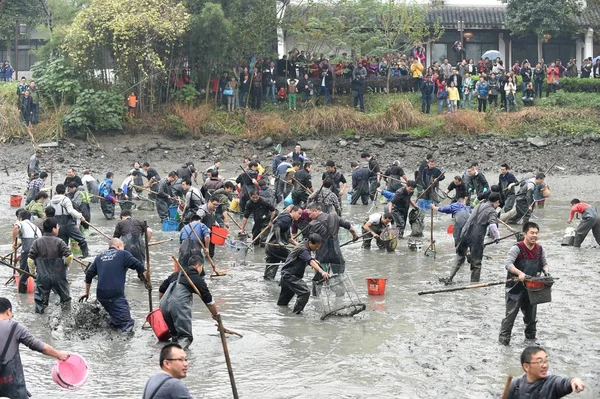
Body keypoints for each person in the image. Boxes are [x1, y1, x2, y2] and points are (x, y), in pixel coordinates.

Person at [0, 297, 70, 399]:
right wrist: (58, 354)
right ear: (8, 311)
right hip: (11, 381)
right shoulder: (15, 327)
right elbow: (38, 346)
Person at [80, 238, 147, 332]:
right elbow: (139, 266)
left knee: (114, 317)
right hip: (115, 295)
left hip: (101, 296)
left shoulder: (99, 257)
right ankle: (121, 344)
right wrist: (147, 282)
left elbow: (89, 274)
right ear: (119, 246)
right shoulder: (123, 254)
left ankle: (110, 328)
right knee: (127, 323)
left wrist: (86, 292)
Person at [499, 222, 548, 345]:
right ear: (525, 234)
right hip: (515, 288)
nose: (534, 235)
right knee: (510, 317)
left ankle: (530, 342)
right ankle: (503, 343)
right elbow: (508, 264)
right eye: (532, 233)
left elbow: (544, 264)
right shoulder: (516, 248)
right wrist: (519, 273)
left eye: (536, 233)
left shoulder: (539, 249)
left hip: (532, 288)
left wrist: (546, 270)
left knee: (531, 319)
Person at [158, 256, 218, 349]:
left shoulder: (176, 274)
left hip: (163, 305)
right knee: (185, 337)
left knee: (175, 334)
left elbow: (161, 289)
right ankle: (179, 356)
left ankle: (171, 353)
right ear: (198, 266)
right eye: (201, 267)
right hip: (178, 306)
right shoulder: (196, 278)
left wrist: (161, 306)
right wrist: (215, 314)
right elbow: (208, 299)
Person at [443, 192, 502, 284]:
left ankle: (449, 278)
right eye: (498, 204)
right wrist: (497, 237)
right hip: (476, 237)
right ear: (497, 202)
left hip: (464, 232)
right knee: (477, 263)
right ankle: (474, 285)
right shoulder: (492, 211)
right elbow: (493, 225)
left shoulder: (479, 205)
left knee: (459, 255)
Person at [27, 218, 73, 313]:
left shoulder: (37, 242)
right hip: (58, 275)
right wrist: (65, 266)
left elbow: (30, 259)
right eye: (57, 227)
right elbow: (70, 256)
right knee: (65, 299)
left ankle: (40, 322)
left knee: (40, 302)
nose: (58, 228)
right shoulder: (59, 242)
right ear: (53, 229)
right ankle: (66, 320)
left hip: (43, 276)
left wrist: (33, 272)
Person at [277, 234, 329, 314]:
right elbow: (309, 260)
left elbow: (307, 258)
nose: (317, 249)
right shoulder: (303, 249)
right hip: (290, 276)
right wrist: (322, 272)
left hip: (286, 275)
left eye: (319, 247)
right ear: (310, 242)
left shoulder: (304, 243)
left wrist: (313, 259)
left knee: (282, 303)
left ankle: (282, 316)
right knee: (305, 292)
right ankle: (296, 315)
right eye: (316, 246)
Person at [506, 346, 585, 398]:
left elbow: (563, 383)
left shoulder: (551, 383)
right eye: (540, 362)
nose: (545, 365)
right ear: (526, 367)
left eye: (546, 361)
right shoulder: (515, 385)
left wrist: (574, 381)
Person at [264, 206, 303, 280]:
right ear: (293, 211)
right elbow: (276, 227)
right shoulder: (287, 218)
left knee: (270, 271)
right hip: (275, 246)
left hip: (270, 246)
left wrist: (298, 245)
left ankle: (268, 286)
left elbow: (288, 239)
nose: (300, 216)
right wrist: (279, 241)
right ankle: (288, 280)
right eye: (299, 213)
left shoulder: (286, 218)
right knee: (293, 259)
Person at [12, 210, 42, 293]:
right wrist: (19, 245)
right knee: (35, 269)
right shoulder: (35, 227)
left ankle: (22, 289)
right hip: (39, 250)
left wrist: (14, 242)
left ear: (20, 217)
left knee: (23, 269)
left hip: (28, 250)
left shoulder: (21, 222)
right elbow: (30, 238)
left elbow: (15, 228)